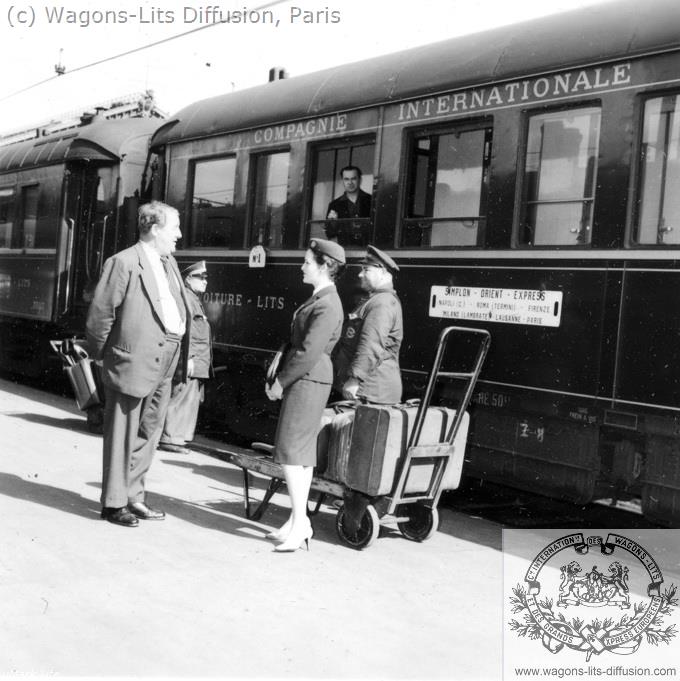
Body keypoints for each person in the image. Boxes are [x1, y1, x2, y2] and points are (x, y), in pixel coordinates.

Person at [86, 201, 189, 527]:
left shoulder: (168, 262)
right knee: (122, 432)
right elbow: (100, 316)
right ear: (155, 229)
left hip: (167, 357)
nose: (179, 235)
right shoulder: (124, 262)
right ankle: (114, 503)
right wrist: (107, 358)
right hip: (132, 359)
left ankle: (134, 496)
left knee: (149, 431)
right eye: (174, 228)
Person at [265, 238, 345, 552]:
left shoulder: (326, 303)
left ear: (324, 267)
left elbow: (309, 351)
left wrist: (280, 382)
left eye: (307, 262)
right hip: (310, 380)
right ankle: (298, 522)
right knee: (302, 455)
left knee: (289, 451)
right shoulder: (322, 299)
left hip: (307, 380)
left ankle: (300, 524)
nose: (302, 266)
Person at [333, 245, 403, 405]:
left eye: (366, 270)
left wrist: (355, 379)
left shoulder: (381, 303)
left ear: (383, 272)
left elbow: (371, 344)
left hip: (370, 391)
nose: (360, 274)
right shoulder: (376, 300)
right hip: (368, 389)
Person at [158, 260, 212, 455]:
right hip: (192, 357)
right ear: (189, 278)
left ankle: (175, 438)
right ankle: (171, 438)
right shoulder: (187, 299)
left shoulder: (193, 299)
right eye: (201, 277)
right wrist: (188, 357)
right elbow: (183, 330)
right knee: (182, 396)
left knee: (187, 397)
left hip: (197, 358)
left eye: (206, 278)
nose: (205, 281)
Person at [325, 165, 372, 244]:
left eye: (353, 178)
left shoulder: (371, 201)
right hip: (346, 252)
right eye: (346, 179)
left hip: (369, 250)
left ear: (360, 180)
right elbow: (329, 234)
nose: (350, 182)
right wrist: (333, 223)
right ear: (343, 181)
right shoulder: (334, 205)